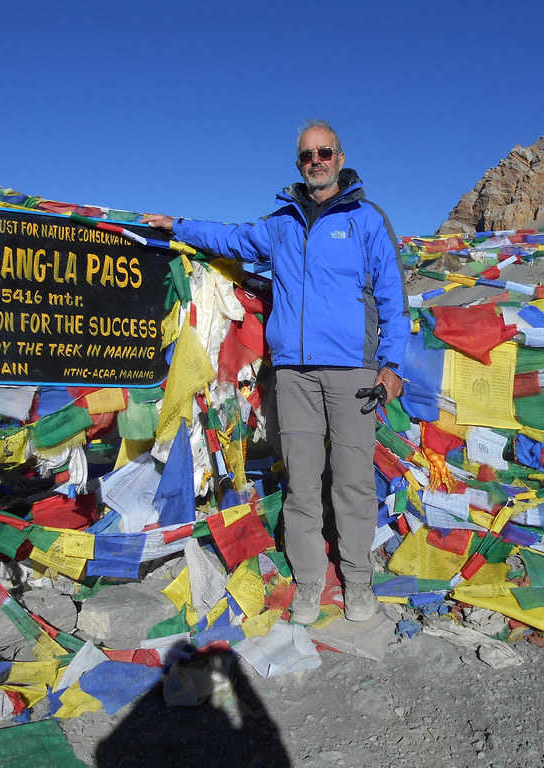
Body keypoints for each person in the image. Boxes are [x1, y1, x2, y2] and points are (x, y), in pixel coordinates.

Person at [141, 120, 407, 623]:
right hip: (294, 374)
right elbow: (235, 239)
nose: (316, 161)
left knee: (352, 481)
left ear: (341, 156)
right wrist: (178, 227)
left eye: (324, 152)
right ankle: (309, 583)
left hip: (354, 371)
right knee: (302, 482)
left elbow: (394, 296)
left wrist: (392, 364)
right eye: (306, 155)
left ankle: (357, 580)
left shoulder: (367, 219)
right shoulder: (283, 222)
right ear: (298, 163)